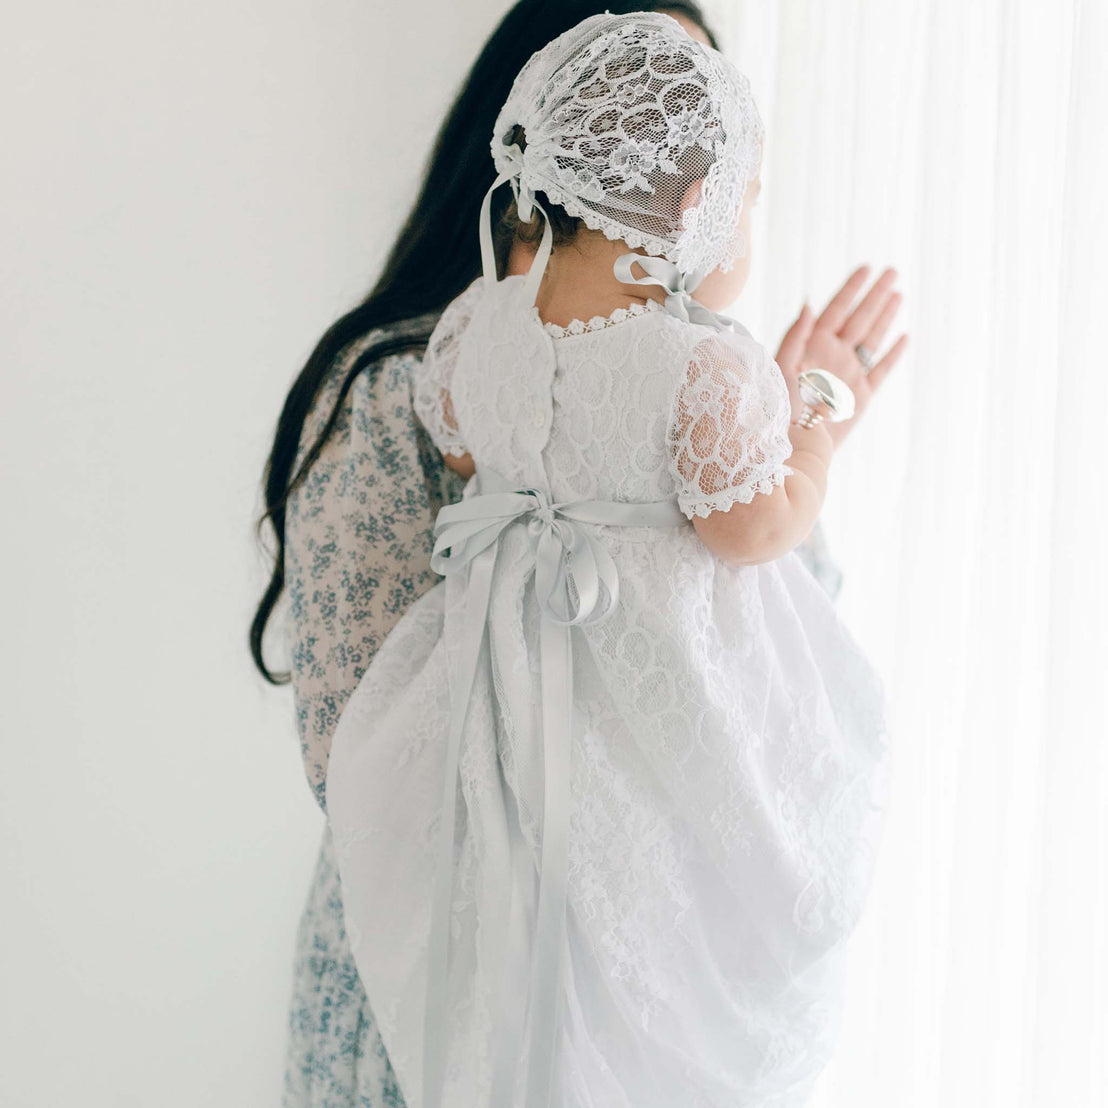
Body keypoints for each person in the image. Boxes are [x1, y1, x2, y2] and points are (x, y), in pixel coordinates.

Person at [254, 3, 907, 1105]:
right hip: (456, 968)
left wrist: (782, 414)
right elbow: (349, 743)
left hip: (658, 977)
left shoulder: (642, 372)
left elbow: (781, 634)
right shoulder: (389, 382)